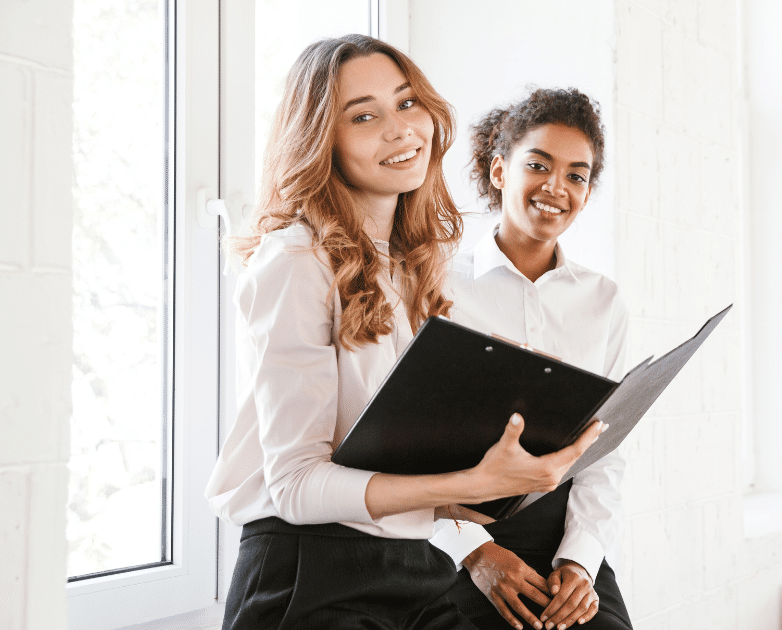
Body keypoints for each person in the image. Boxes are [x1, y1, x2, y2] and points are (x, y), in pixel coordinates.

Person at [204, 37, 604, 630]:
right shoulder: (294, 261)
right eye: (363, 115)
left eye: (407, 103)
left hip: (411, 563)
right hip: (313, 573)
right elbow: (294, 486)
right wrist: (469, 482)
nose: (400, 130)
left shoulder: (408, 264)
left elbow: (379, 451)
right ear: (322, 141)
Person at [434, 88, 632, 630]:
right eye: (538, 165)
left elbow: (604, 454)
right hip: (454, 529)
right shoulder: (437, 288)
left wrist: (580, 561)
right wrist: (476, 553)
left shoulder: (603, 301)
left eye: (577, 175)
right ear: (499, 171)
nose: (557, 187)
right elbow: (403, 449)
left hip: (562, 530)